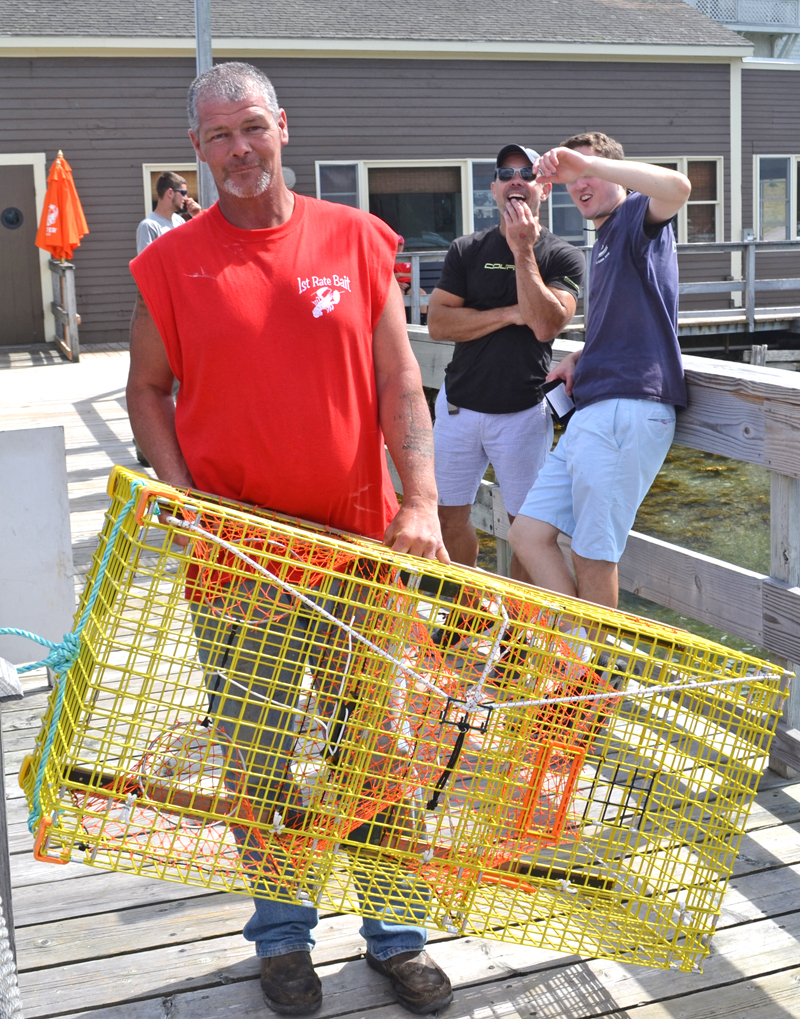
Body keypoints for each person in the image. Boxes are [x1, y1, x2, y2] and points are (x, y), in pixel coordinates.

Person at [126, 61, 452, 1018]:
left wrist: (422, 499)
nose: (238, 150)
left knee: (379, 752)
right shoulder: (169, 263)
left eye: (252, 128)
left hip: (359, 549)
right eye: (219, 136)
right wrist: (180, 493)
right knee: (262, 758)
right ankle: (282, 938)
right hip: (238, 563)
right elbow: (147, 390)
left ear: (283, 128)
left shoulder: (355, 239)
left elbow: (400, 380)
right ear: (197, 149)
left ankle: (397, 936)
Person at [508, 132, 690, 613]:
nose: (579, 184)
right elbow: (631, 319)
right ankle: (582, 663)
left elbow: (679, 187)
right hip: (595, 407)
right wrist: (582, 358)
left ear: (615, 173)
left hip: (628, 408)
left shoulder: (635, 215)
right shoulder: (607, 237)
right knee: (527, 535)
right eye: (571, 179)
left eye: (589, 173)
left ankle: (593, 681)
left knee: (593, 552)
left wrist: (586, 165)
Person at [426, 144, 584, 587]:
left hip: (523, 413)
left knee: (524, 529)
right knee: (447, 516)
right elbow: (438, 323)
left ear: (544, 189)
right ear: (494, 188)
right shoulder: (466, 248)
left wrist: (522, 251)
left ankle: (516, 632)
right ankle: (467, 613)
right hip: (458, 409)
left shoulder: (563, 255)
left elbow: (547, 325)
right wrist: (512, 313)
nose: (516, 179)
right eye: (505, 173)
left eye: (527, 173)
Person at [135, 171, 201, 254]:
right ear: (170, 193)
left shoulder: (179, 221)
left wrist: (197, 217)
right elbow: (145, 264)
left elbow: (193, 250)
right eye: (183, 193)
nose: (186, 198)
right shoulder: (149, 226)